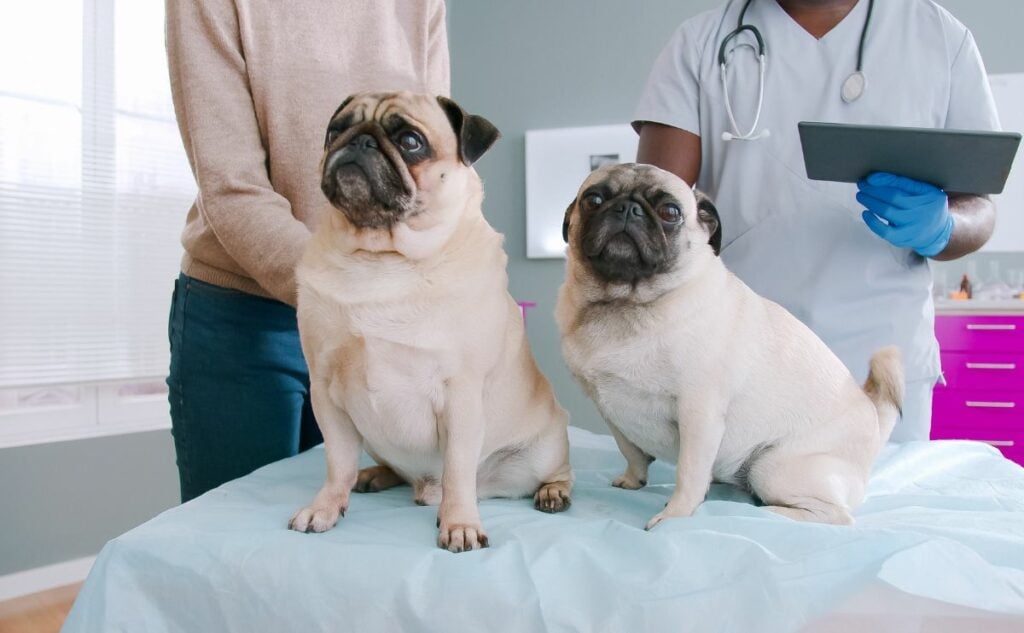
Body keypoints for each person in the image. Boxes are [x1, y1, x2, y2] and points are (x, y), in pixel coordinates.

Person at [633, 0, 1000, 441]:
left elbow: (979, 207)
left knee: (878, 486)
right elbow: (652, 215)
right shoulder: (700, 43)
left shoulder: (940, 36)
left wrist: (943, 227)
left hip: (880, 356)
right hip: (738, 353)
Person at [165, 0, 450, 502]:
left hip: (380, 311)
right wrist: (354, 294)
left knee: (363, 527)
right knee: (239, 529)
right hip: (245, 321)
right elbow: (232, 188)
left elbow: (436, 166)